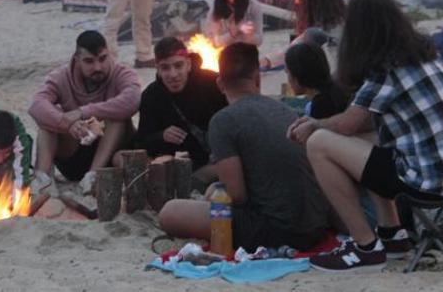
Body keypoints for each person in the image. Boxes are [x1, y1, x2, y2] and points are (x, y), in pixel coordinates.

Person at [288, 0, 443, 272]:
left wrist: (314, 124)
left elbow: (348, 123)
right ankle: (392, 236)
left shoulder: (387, 68)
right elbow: (362, 125)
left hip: (430, 182)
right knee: (361, 142)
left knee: (319, 144)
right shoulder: (424, 56)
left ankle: (365, 246)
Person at [158, 43, 330, 253]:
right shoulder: (285, 110)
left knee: (170, 212)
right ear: (257, 78)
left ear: (220, 84)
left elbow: (236, 194)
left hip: (277, 230)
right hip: (316, 224)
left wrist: (215, 190)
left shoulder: (223, 121)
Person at [29, 31, 140, 193]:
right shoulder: (61, 77)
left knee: (116, 116)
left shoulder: (122, 73)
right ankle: (43, 179)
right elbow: (36, 105)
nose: (98, 67)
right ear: (77, 60)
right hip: (74, 154)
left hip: (111, 159)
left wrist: (83, 112)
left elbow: (132, 100)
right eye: (89, 61)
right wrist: (67, 124)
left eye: (102, 58)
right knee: (49, 118)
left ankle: (93, 177)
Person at [131, 37, 228, 192]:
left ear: (188, 64)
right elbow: (141, 142)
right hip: (182, 165)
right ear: (158, 69)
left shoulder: (212, 83)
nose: (173, 74)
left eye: (178, 65)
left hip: (222, 159)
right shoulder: (152, 95)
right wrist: (161, 136)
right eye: (165, 68)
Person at [284, 42, 348, 119]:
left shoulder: (321, 106)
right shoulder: (337, 91)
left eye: (288, 72)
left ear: (298, 73)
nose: (288, 79)